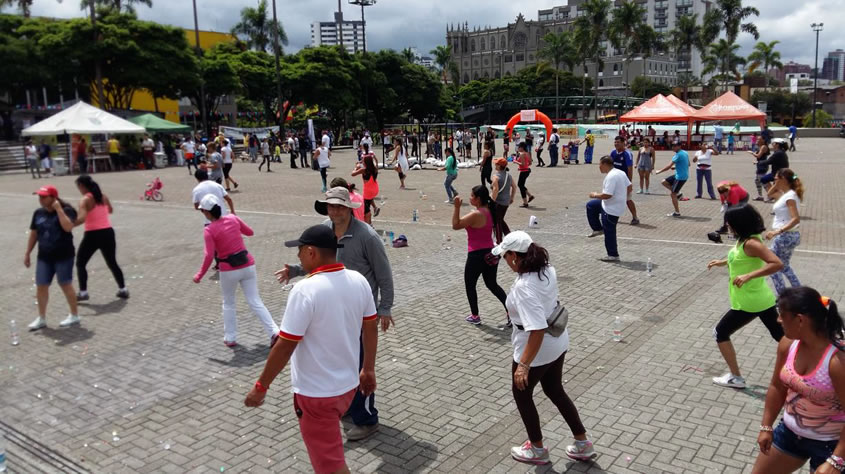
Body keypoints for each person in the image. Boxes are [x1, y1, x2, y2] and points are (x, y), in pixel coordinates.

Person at [245, 225, 378, 474]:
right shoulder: (358, 280)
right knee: (331, 456)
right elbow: (369, 328)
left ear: (311, 252)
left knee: (330, 466)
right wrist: (368, 369)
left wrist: (260, 387)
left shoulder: (305, 290)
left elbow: (285, 345)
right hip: (347, 388)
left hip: (317, 395)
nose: (297, 258)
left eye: (299, 252)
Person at [275, 188, 394, 442]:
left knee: (363, 365)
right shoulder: (324, 230)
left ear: (349, 208)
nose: (334, 210)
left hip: (361, 313)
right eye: (330, 206)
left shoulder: (367, 237)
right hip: (333, 313)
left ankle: (367, 419)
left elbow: (384, 274)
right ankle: (348, 408)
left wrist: (385, 308)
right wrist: (295, 270)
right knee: (344, 364)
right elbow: (315, 260)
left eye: (339, 206)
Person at [491, 231, 597, 465]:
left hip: (536, 347)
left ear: (515, 256)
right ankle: (582, 443)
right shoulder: (547, 269)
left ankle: (537, 449)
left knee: (522, 395)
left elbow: (536, 329)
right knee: (555, 389)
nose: (505, 262)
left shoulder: (524, 287)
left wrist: (523, 366)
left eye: (505, 256)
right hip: (558, 341)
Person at [751, 287, 845, 474]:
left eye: (782, 315)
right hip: (790, 433)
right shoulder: (787, 344)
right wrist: (766, 426)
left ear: (800, 319)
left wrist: (837, 460)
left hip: (831, 445)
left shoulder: (837, 362)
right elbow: (777, 386)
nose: (778, 320)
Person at [707, 203, 784, 388]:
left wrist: (749, 275)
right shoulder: (745, 240)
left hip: (748, 302)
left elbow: (776, 263)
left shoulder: (752, 243)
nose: (728, 227)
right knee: (783, 337)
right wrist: (722, 262)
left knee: (720, 332)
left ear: (738, 224)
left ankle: (736, 377)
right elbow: (741, 258)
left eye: (729, 223)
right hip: (762, 299)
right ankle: (816, 365)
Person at [193, 195, 278, 346]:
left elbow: (209, 255)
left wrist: (200, 274)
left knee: (229, 303)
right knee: (255, 301)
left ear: (207, 212)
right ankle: (274, 331)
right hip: (247, 264)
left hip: (228, 269)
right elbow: (250, 232)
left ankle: (230, 337)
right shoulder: (233, 218)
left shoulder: (209, 230)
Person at [24, 185, 80, 330]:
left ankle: (74, 315)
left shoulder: (67, 210)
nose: (41, 200)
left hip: (63, 255)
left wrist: (59, 209)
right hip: (44, 256)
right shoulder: (38, 213)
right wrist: (28, 253)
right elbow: (34, 234)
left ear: (53, 197)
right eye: (39, 196)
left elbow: (68, 227)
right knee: (41, 286)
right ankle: (41, 318)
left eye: (44, 197)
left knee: (65, 284)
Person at [452, 186, 509, 326]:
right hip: (490, 253)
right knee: (492, 285)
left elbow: (455, 225)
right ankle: (511, 312)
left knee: (470, 285)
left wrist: (457, 207)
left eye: (472, 196)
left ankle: (475, 315)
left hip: (476, 255)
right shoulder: (490, 211)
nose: (470, 198)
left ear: (478, 199)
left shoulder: (476, 214)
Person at [72, 176, 128, 301]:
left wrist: (69, 225)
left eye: (79, 187)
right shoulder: (103, 196)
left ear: (82, 186)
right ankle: (123, 289)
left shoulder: (85, 200)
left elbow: (81, 218)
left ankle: (83, 292)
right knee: (112, 262)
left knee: (80, 263)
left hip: (92, 234)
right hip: (108, 232)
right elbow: (111, 210)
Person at [765, 168, 804, 296]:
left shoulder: (790, 197)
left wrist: (777, 232)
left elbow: (795, 219)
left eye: (776, 178)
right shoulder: (786, 194)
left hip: (785, 236)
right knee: (784, 266)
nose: (774, 180)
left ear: (783, 179)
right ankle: (799, 293)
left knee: (773, 266)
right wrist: (776, 185)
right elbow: (769, 194)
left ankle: (782, 296)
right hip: (790, 235)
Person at [587, 156, 631, 262]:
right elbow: (629, 187)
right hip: (611, 203)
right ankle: (597, 228)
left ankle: (613, 254)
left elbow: (607, 195)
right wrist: (623, 197)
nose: (599, 167)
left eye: (600, 164)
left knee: (610, 231)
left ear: (605, 164)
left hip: (611, 208)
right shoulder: (620, 172)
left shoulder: (612, 176)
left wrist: (595, 195)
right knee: (591, 206)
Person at [609, 136, 640, 225]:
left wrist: (629, 183)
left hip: (624, 182)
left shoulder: (627, 154)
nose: (616, 144)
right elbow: (610, 166)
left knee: (628, 200)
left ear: (623, 143)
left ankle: (635, 217)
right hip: (614, 181)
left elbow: (630, 169)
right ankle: (612, 216)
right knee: (611, 198)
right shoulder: (613, 152)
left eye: (618, 142)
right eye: (615, 142)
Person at [655, 141, 690, 218]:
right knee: (664, 182)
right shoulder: (685, 153)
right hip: (680, 175)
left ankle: (677, 212)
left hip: (680, 177)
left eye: (674, 146)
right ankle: (678, 193)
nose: (673, 147)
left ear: (679, 146)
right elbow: (689, 164)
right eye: (672, 145)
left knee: (672, 194)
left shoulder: (677, 155)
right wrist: (676, 166)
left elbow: (668, 166)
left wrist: (659, 171)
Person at [351, 143, 380, 223]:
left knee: (366, 208)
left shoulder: (363, 170)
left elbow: (353, 174)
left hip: (367, 190)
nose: (362, 161)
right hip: (374, 188)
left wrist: (356, 167)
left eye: (363, 161)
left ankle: (369, 224)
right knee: (370, 198)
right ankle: (375, 208)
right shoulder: (374, 169)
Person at [491, 157, 516, 244]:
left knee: (497, 221)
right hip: (506, 202)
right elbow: (514, 186)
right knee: (500, 219)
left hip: (498, 202)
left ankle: (499, 240)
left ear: (499, 166)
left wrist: (491, 202)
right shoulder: (509, 176)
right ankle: (509, 236)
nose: (494, 165)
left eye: (496, 164)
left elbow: (495, 190)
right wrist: (511, 197)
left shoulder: (496, 177)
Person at [515, 143, 535, 208]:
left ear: (522, 148)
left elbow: (523, 164)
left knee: (520, 185)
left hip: (524, 171)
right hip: (526, 170)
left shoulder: (522, 154)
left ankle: (525, 202)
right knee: (521, 185)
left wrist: (516, 161)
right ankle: (530, 196)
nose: (518, 148)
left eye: (519, 147)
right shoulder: (527, 153)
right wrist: (524, 167)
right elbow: (530, 163)